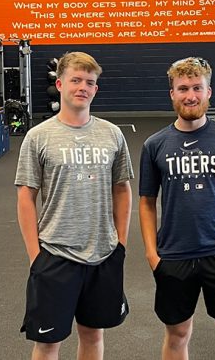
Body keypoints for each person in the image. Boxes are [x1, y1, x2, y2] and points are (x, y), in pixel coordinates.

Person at [15, 52, 133, 360]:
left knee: (93, 335)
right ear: (60, 84)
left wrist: (120, 243)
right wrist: (34, 256)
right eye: (76, 80)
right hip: (55, 254)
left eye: (89, 82)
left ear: (96, 89)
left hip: (103, 254)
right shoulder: (38, 137)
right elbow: (26, 197)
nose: (83, 87)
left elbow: (122, 189)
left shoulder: (112, 134)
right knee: (47, 343)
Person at [139, 56, 215, 360]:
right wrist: (152, 255)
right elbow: (147, 203)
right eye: (182, 89)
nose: (190, 95)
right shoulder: (155, 144)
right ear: (172, 94)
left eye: (196, 88)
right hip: (175, 255)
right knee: (177, 336)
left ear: (208, 91)